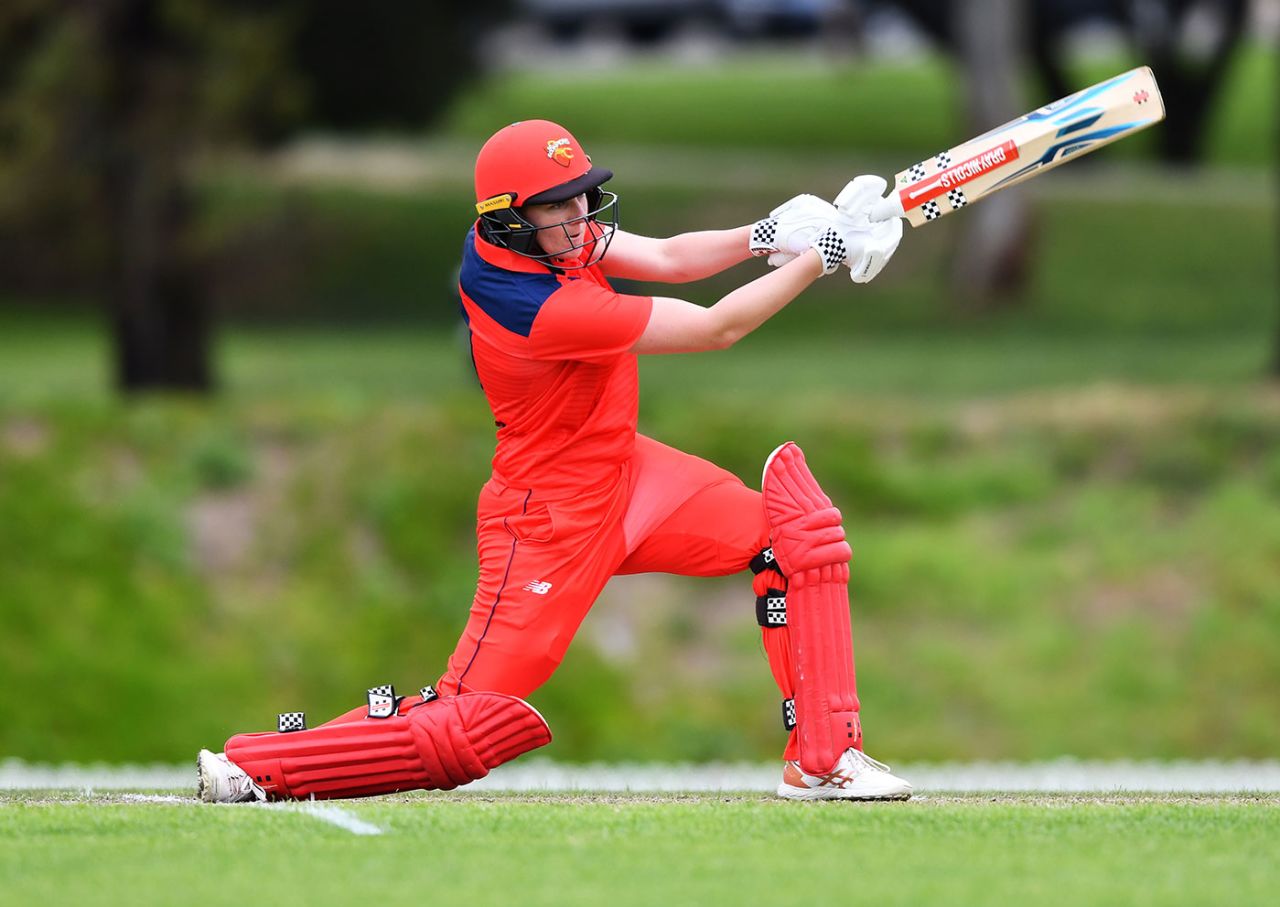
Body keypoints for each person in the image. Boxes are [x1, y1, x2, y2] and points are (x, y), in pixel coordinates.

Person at [197, 119, 908, 804]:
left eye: (580, 195)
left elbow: (668, 259)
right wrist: (825, 256)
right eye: (559, 203)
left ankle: (824, 759)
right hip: (549, 519)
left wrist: (765, 236)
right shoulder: (540, 309)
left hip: (629, 474)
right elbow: (716, 327)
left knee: (794, 533)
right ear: (513, 217)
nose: (580, 214)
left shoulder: (535, 239)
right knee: (465, 723)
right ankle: (259, 764)